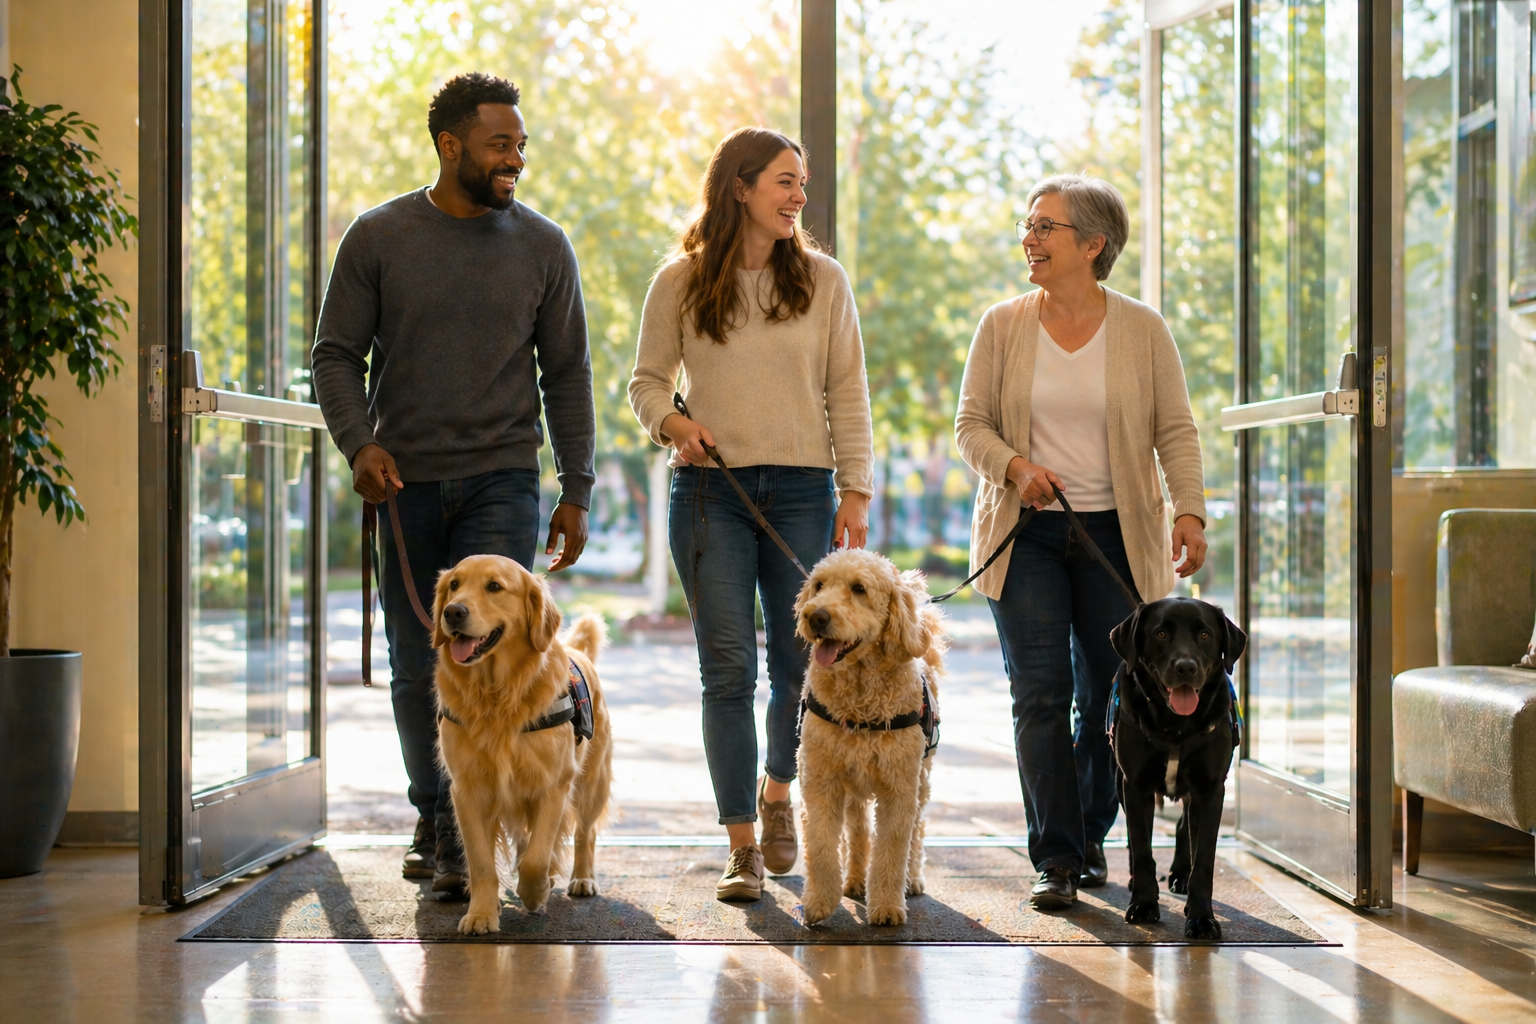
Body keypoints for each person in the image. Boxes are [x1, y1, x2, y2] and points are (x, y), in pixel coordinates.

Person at [312, 72, 595, 899]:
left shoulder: (544, 246)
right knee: (420, 662)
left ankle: (514, 811)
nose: (515, 159)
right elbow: (335, 354)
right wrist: (358, 445)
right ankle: (440, 817)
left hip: (503, 477)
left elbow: (569, 372)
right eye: (499, 144)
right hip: (404, 482)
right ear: (450, 145)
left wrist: (574, 485)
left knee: (507, 655)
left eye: (521, 145)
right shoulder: (378, 236)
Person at [628, 127, 874, 902]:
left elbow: (848, 392)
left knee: (800, 664)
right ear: (739, 186)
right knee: (726, 667)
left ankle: (777, 793)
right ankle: (741, 844)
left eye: (801, 183)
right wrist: (674, 425)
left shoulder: (824, 281)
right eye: (784, 181)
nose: (799, 196)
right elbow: (645, 384)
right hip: (710, 494)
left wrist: (856, 489)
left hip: (803, 491)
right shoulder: (680, 281)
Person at [954, 174, 1207, 910]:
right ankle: (1057, 858)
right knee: (1040, 694)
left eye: (1044, 227)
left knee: (1110, 698)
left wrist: (1188, 511)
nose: (1028, 239)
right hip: (1025, 531)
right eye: (1027, 226)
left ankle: (1094, 831)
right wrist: (1016, 467)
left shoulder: (1142, 329)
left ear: (1093, 244)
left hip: (1118, 536)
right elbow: (970, 428)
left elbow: (1175, 429)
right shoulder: (1001, 326)